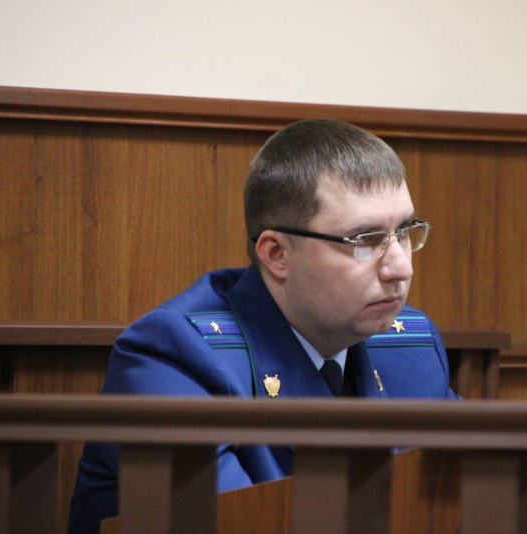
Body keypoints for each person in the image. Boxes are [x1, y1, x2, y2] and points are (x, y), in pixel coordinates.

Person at [68, 118, 458, 533]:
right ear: (276, 255)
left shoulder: (411, 347)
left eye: (404, 232)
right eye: (365, 240)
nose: (401, 268)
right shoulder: (173, 358)